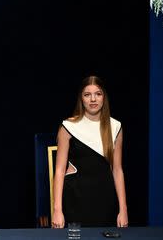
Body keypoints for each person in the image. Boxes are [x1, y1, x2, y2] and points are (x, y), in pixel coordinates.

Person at [52, 75, 128, 228]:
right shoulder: (68, 126)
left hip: (105, 200)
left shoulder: (115, 127)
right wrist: (57, 210)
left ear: (104, 97)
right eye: (87, 95)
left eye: (98, 94)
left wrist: (123, 209)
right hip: (75, 199)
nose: (93, 99)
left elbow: (118, 170)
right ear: (81, 98)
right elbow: (59, 170)